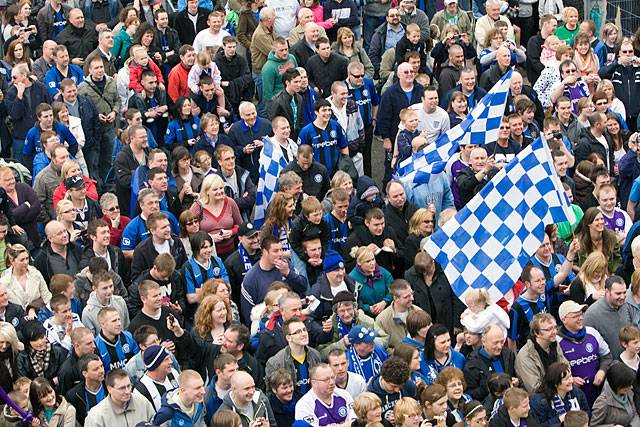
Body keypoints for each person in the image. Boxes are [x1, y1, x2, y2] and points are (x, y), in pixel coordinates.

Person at [241, 236, 308, 323]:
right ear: (265, 252)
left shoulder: (286, 264)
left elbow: (303, 286)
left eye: (281, 250)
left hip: (293, 318)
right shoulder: (251, 278)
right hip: (268, 326)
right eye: (276, 251)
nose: (280, 254)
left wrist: (288, 273)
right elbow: (248, 314)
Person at [556, 300, 610, 405]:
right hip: (573, 397)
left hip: (598, 393)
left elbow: (607, 356)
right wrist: (570, 379)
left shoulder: (592, 332)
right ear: (564, 319)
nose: (580, 318)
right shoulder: (557, 341)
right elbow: (553, 370)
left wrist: (602, 371)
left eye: (581, 314)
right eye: (575, 316)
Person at [515, 313, 568, 393]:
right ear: (536, 333)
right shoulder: (526, 355)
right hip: (538, 400)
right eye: (549, 329)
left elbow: (565, 368)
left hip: (558, 392)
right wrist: (561, 385)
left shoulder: (554, 344)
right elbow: (534, 388)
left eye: (555, 327)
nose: (554, 332)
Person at [463, 324, 517, 402]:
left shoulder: (508, 355)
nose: (499, 346)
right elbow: (470, 393)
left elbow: (515, 376)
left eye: (502, 342)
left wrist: (516, 382)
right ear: (483, 341)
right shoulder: (472, 364)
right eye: (495, 343)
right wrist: (491, 388)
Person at [84, 368, 155, 427]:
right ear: (109, 389)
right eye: (122, 388)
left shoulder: (142, 402)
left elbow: (155, 422)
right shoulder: (96, 416)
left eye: (129, 386)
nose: (127, 391)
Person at [529, 362, 589, 426]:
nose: (571, 381)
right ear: (555, 383)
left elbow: (587, 413)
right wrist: (560, 419)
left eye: (571, 376)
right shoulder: (539, 401)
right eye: (566, 379)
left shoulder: (577, 392)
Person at [508, 264, 547, 350]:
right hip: (529, 354)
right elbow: (511, 339)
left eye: (543, 279)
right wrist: (515, 362)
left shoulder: (543, 294)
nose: (542, 283)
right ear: (528, 284)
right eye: (537, 281)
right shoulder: (517, 307)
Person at [1, 244, 51, 310]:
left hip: (38, 314)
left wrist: (33, 308)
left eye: (27, 258)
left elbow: (46, 297)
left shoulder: (36, 274)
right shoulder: (4, 281)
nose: (26, 262)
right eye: (22, 260)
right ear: (12, 261)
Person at [368, 357, 417, 424]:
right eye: (393, 386)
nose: (397, 390)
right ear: (384, 379)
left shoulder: (409, 385)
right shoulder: (371, 395)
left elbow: (416, 410)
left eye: (400, 386)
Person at [591, 362, 640, 426]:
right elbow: (594, 425)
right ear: (618, 385)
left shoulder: (629, 393)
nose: (631, 387)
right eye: (627, 385)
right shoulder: (603, 402)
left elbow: (635, 414)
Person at [65, 353, 106, 425]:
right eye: (96, 369)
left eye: (101, 366)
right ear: (85, 373)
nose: (101, 371)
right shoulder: (74, 395)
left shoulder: (111, 386)